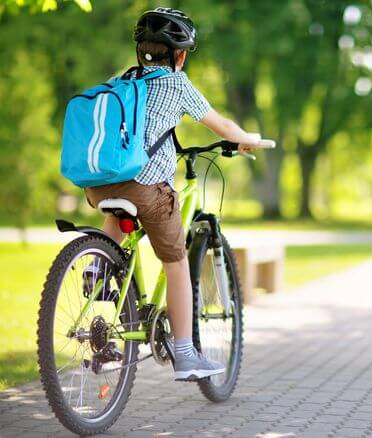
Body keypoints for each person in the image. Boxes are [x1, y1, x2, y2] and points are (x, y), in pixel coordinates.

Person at [83, 8, 263, 379]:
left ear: (141, 52)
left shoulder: (122, 80)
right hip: (148, 188)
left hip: (99, 185)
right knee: (177, 261)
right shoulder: (177, 84)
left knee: (119, 211)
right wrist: (247, 140)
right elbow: (222, 124)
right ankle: (185, 354)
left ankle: (96, 265)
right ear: (179, 55)